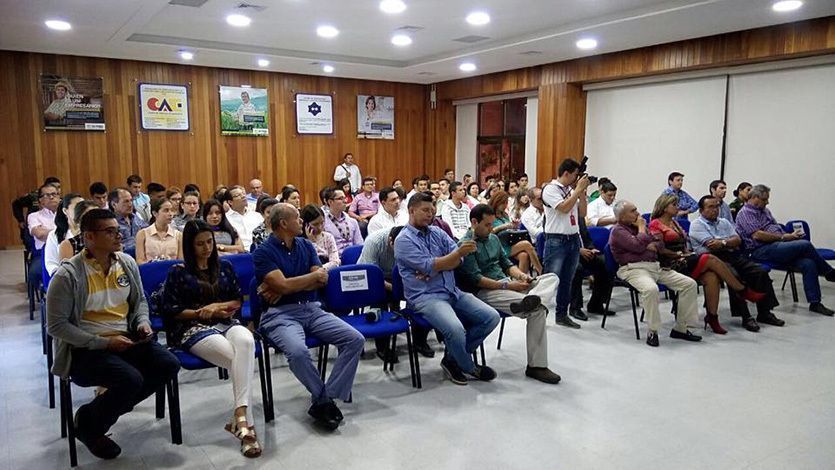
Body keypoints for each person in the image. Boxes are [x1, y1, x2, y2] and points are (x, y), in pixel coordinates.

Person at [46, 209, 180, 460]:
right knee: (130, 380)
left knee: (168, 364)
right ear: (89, 237)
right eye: (110, 231)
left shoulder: (126, 263)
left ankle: (92, 418)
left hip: (126, 338)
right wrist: (104, 343)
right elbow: (57, 327)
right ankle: (91, 424)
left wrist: (142, 322)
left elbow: (139, 300)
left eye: (117, 229)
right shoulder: (68, 275)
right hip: (86, 349)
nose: (119, 235)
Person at [253, 203, 364, 430]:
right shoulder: (263, 251)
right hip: (279, 315)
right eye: (297, 217)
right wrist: (298, 282)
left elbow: (321, 278)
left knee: (355, 339)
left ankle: (325, 398)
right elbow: (285, 284)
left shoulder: (306, 244)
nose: (301, 221)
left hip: (312, 308)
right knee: (298, 352)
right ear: (283, 223)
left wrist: (287, 285)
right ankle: (324, 400)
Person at [161, 220, 261, 457]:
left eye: (209, 242)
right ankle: (246, 426)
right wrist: (199, 312)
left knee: (246, 342)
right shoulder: (178, 272)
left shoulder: (224, 266)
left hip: (225, 321)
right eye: (200, 244)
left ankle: (240, 419)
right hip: (191, 327)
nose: (206, 248)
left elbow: (237, 301)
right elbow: (171, 310)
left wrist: (217, 306)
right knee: (239, 360)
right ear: (189, 245)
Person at [394, 192, 500, 386]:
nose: (430, 214)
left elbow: (456, 260)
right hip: (426, 297)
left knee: (491, 317)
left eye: (432, 210)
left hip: (452, 291)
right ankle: (468, 366)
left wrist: (440, 265)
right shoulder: (404, 240)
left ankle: (452, 359)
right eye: (425, 210)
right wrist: (444, 261)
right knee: (456, 329)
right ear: (411, 210)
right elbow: (448, 258)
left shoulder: (437, 232)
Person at [457, 204, 561, 384]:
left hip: (506, 283)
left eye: (492, 224)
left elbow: (506, 264)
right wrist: (509, 286)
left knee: (551, 278)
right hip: (486, 291)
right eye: (488, 225)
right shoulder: (466, 245)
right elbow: (477, 280)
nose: (491, 229)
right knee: (538, 311)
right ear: (474, 222)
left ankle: (530, 300)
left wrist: (522, 276)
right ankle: (537, 366)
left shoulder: (493, 239)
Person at [650, 193, 766, 334]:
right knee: (709, 258)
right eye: (674, 205)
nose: (678, 207)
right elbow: (660, 250)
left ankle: (712, 317)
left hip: (685, 258)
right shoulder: (655, 224)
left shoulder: (674, 222)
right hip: (670, 264)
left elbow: (684, 244)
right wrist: (681, 254)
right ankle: (743, 291)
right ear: (664, 207)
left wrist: (686, 252)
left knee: (712, 277)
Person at [609, 201, 702, 347]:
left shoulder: (639, 228)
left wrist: (644, 241)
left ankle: (681, 328)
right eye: (633, 211)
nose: (638, 213)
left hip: (655, 266)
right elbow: (637, 246)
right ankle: (653, 331)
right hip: (633, 269)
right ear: (622, 216)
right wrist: (642, 235)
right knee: (651, 289)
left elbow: (658, 244)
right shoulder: (618, 230)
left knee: (689, 284)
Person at [735, 184, 835, 315]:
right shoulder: (745, 213)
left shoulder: (765, 211)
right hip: (760, 251)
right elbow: (757, 235)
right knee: (804, 244)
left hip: (777, 247)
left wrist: (789, 237)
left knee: (808, 264)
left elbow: (775, 227)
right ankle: (829, 272)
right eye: (765, 199)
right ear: (754, 198)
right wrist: (783, 237)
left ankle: (815, 303)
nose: (767, 202)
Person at [689, 195, 783, 331]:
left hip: (732, 255)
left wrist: (722, 242)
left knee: (759, 272)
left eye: (717, 206)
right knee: (734, 277)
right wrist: (727, 241)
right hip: (712, 260)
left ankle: (765, 313)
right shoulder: (696, 224)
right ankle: (746, 317)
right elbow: (711, 245)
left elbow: (737, 240)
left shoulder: (724, 222)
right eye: (711, 207)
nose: (715, 210)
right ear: (701, 210)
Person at [541, 158, 590, 329]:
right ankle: (539, 316)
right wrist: (577, 190)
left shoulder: (572, 190)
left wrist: (582, 193)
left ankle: (562, 315)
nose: (577, 179)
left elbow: (582, 213)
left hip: (573, 238)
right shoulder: (550, 189)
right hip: (556, 239)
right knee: (549, 280)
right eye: (575, 175)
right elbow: (563, 208)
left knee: (567, 280)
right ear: (566, 173)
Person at [569, 217, 614, 319]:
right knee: (577, 269)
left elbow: (586, 236)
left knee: (604, 263)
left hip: (584, 253)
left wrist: (591, 248)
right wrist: (579, 250)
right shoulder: (557, 216)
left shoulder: (579, 217)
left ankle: (596, 303)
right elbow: (560, 243)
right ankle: (575, 307)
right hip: (568, 254)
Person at [488, 191, 543, 274]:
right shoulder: (489, 215)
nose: (505, 205)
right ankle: (541, 271)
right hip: (497, 247)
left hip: (508, 244)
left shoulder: (505, 215)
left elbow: (508, 230)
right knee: (526, 244)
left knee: (524, 255)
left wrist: (514, 226)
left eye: (506, 203)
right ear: (497, 202)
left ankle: (522, 282)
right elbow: (488, 233)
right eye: (503, 203)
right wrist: (502, 227)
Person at [44, 193, 84, 276]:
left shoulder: (91, 232)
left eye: (83, 208)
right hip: (65, 277)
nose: (81, 211)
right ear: (65, 211)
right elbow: (51, 264)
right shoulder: (54, 235)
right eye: (77, 207)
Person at [135, 198, 183, 264]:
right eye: (166, 210)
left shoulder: (179, 235)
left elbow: (181, 261)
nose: (170, 214)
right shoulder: (142, 234)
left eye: (171, 210)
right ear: (155, 213)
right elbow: (140, 261)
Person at [322, 188, 362, 255]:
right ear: (330, 202)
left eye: (344, 198)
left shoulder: (352, 221)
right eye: (340, 198)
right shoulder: (323, 223)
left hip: (354, 258)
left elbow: (359, 244)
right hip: (336, 259)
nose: (345, 201)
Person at [301, 204, 341, 270]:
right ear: (306, 224)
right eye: (315, 224)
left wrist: (319, 270)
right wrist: (311, 243)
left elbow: (335, 261)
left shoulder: (328, 237)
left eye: (322, 223)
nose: (320, 227)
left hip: (326, 273)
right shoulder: (301, 241)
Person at [109, 187, 148, 254]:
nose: (130, 204)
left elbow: (148, 231)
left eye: (131, 200)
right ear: (114, 205)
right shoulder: (110, 223)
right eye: (126, 201)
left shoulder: (135, 217)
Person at [225, 185, 264, 252]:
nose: (243, 196)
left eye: (243, 194)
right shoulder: (226, 219)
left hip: (260, 251)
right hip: (238, 253)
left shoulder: (257, 216)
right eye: (238, 195)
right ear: (230, 202)